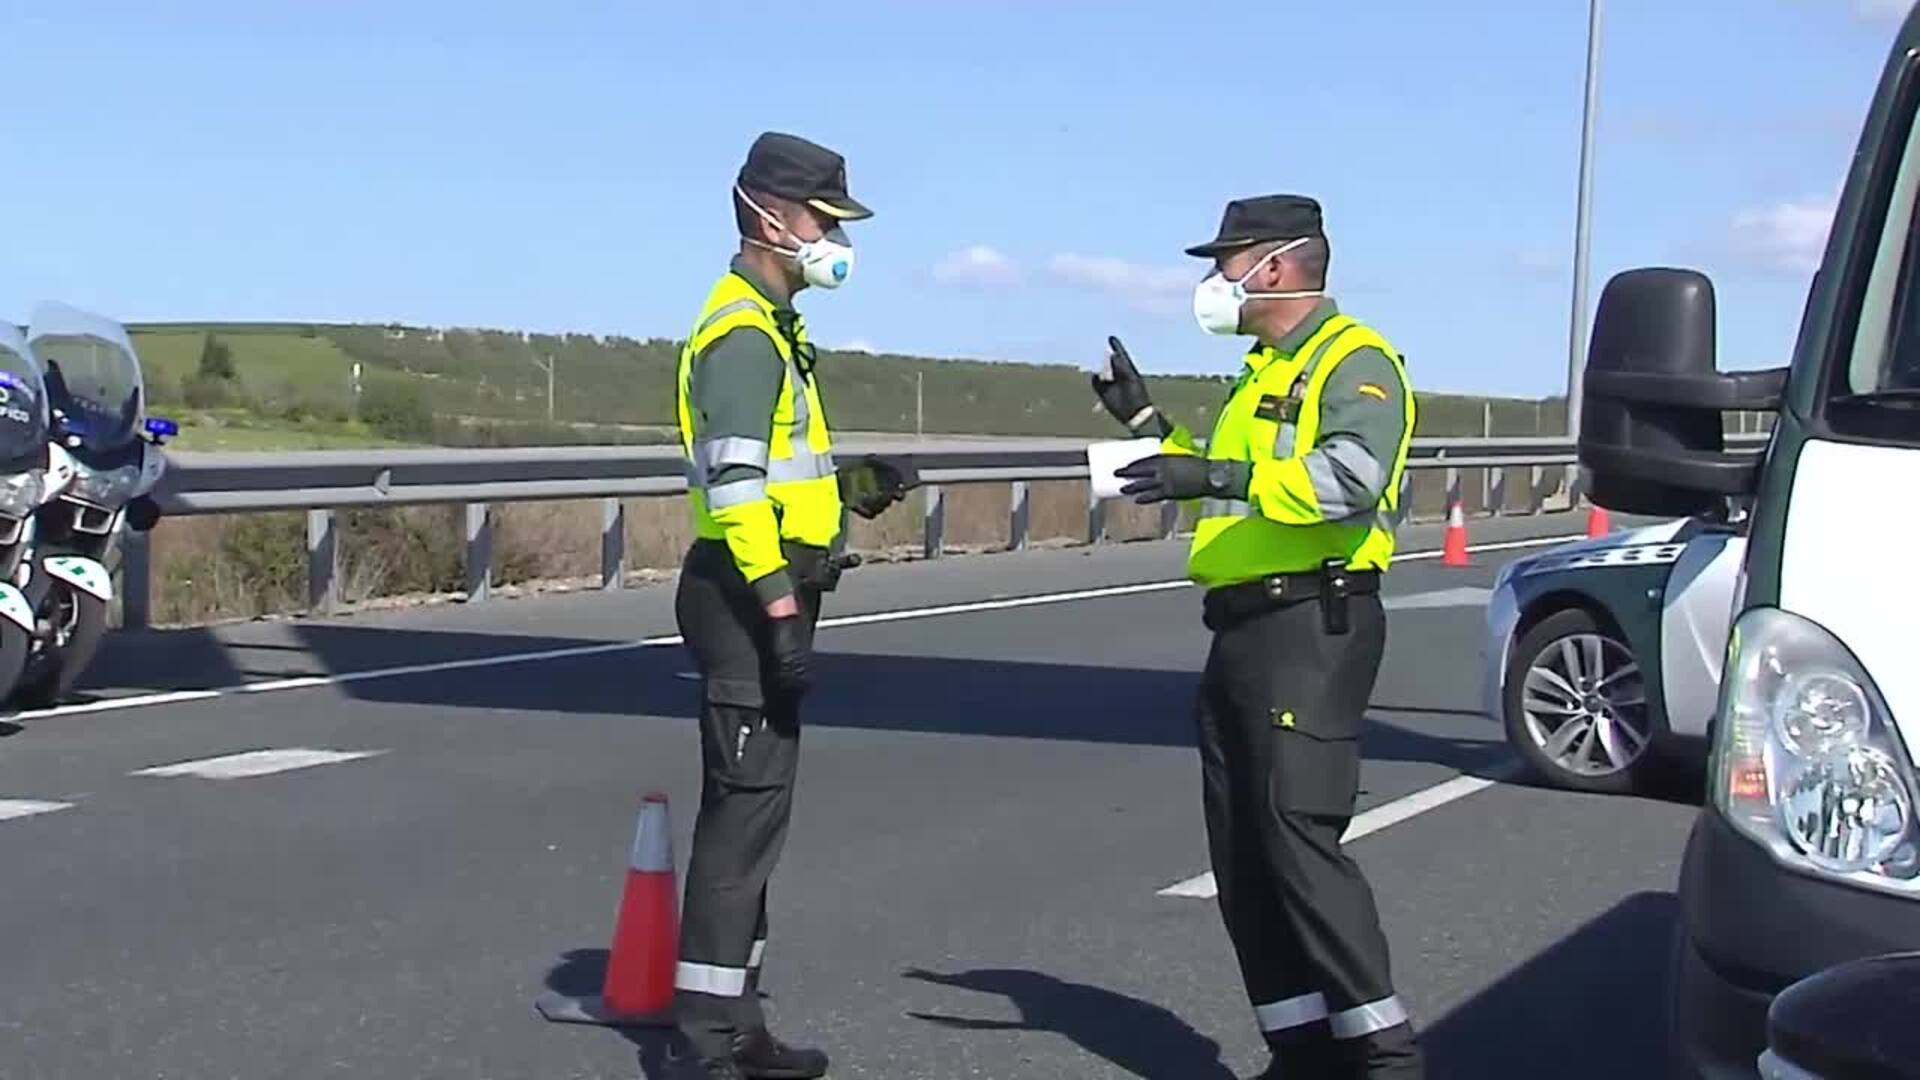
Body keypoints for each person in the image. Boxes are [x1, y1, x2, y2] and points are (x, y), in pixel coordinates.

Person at [1095, 194, 1424, 1080]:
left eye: (1227, 261)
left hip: (1310, 625)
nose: (1215, 281)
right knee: (1244, 850)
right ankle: (1302, 1051)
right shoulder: (1264, 370)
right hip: (1243, 630)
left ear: (1275, 267)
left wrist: (1219, 469)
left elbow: (1348, 480)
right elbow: (1232, 485)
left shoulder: (1353, 362)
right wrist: (1146, 427)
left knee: (1295, 838)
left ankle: (1383, 1057)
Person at [672, 130, 911, 1080]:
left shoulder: (777, 328)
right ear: (769, 216)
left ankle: (743, 1026)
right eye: (823, 219)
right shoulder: (740, 332)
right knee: (739, 820)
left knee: (759, 818)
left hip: (771, 588)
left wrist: (848, 487)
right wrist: (777, 612)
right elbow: (732, 493)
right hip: (745, 598)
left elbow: (777, 477)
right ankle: (703, 1047)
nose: (834, 238)